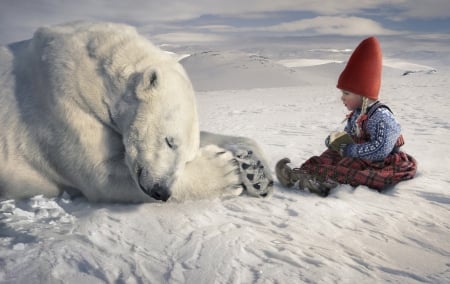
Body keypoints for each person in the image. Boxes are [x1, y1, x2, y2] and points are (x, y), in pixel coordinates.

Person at [275, 36, 417, 197]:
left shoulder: (382, 117)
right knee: (330, 155)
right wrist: (336, 142)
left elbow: (380, 150)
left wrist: (350, 149)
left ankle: (324, 181)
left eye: (346, 93)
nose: (342, 98)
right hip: (355, 152)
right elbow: (349, 134)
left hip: (379, 161)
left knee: (350, 165)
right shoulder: (357, 113)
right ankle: (301, 173)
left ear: (363, 95)